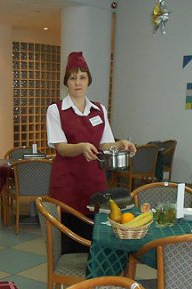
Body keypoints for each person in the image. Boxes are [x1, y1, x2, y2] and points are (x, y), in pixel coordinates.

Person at [46, 51, 136, 253]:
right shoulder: (56, 110)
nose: (77, 82)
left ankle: (93, 273)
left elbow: (105, 144)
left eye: (82, 77)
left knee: (94, 236)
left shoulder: (99, 110)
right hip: (68, 183)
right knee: (69, 240)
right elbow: (61, 147)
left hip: (94, 182)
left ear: (88, 80)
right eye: (72, 78)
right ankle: (69, 273)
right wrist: (81, 147)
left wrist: (120, 144)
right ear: (66, 82)